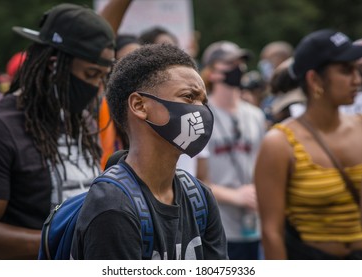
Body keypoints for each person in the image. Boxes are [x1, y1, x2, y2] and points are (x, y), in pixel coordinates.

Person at [71, 44, 228, 260]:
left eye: (204, 101)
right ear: (140, 105)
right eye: (189, 97)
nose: (201, 110)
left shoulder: (199, 197)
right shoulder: (113, 207)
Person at [0, 3, 115, 259]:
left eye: (102, 77)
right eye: (91, 74)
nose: (96, 87)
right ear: (53, 65)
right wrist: (63, 240)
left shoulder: (81, 122)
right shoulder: (1, 127)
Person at [255, 29, 362, 259]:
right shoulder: (280, 143)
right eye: (346, 70)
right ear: (314, 79)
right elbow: (272, 232)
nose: (357, 79)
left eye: (357, 69)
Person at [200, 40, 266, 260]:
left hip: (254, 224)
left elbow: (262, 166)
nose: (238, 69)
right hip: (218, 228)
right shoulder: (201, 116)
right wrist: (235, 196)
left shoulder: (255, 115)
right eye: (230, 64)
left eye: (241, 63)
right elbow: (196, 179)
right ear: (213, 72)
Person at [99, 34, 141, 170]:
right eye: (124, 62)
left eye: (139, 62)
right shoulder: (99, 105)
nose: (133, 70)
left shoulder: (148, 106)